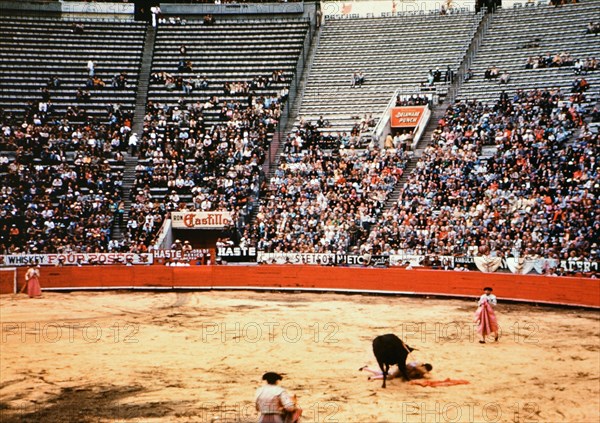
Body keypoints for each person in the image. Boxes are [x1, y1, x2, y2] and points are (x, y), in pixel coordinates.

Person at [360, 362, 433, 380]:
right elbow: (410, 365)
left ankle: (366, 368)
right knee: (390, 377)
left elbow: (427, 377)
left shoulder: (422, 373)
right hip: (401, 369)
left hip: (402, 373)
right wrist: (418, 368)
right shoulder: (418, 363)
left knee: (384, 373)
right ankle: (372, 378)